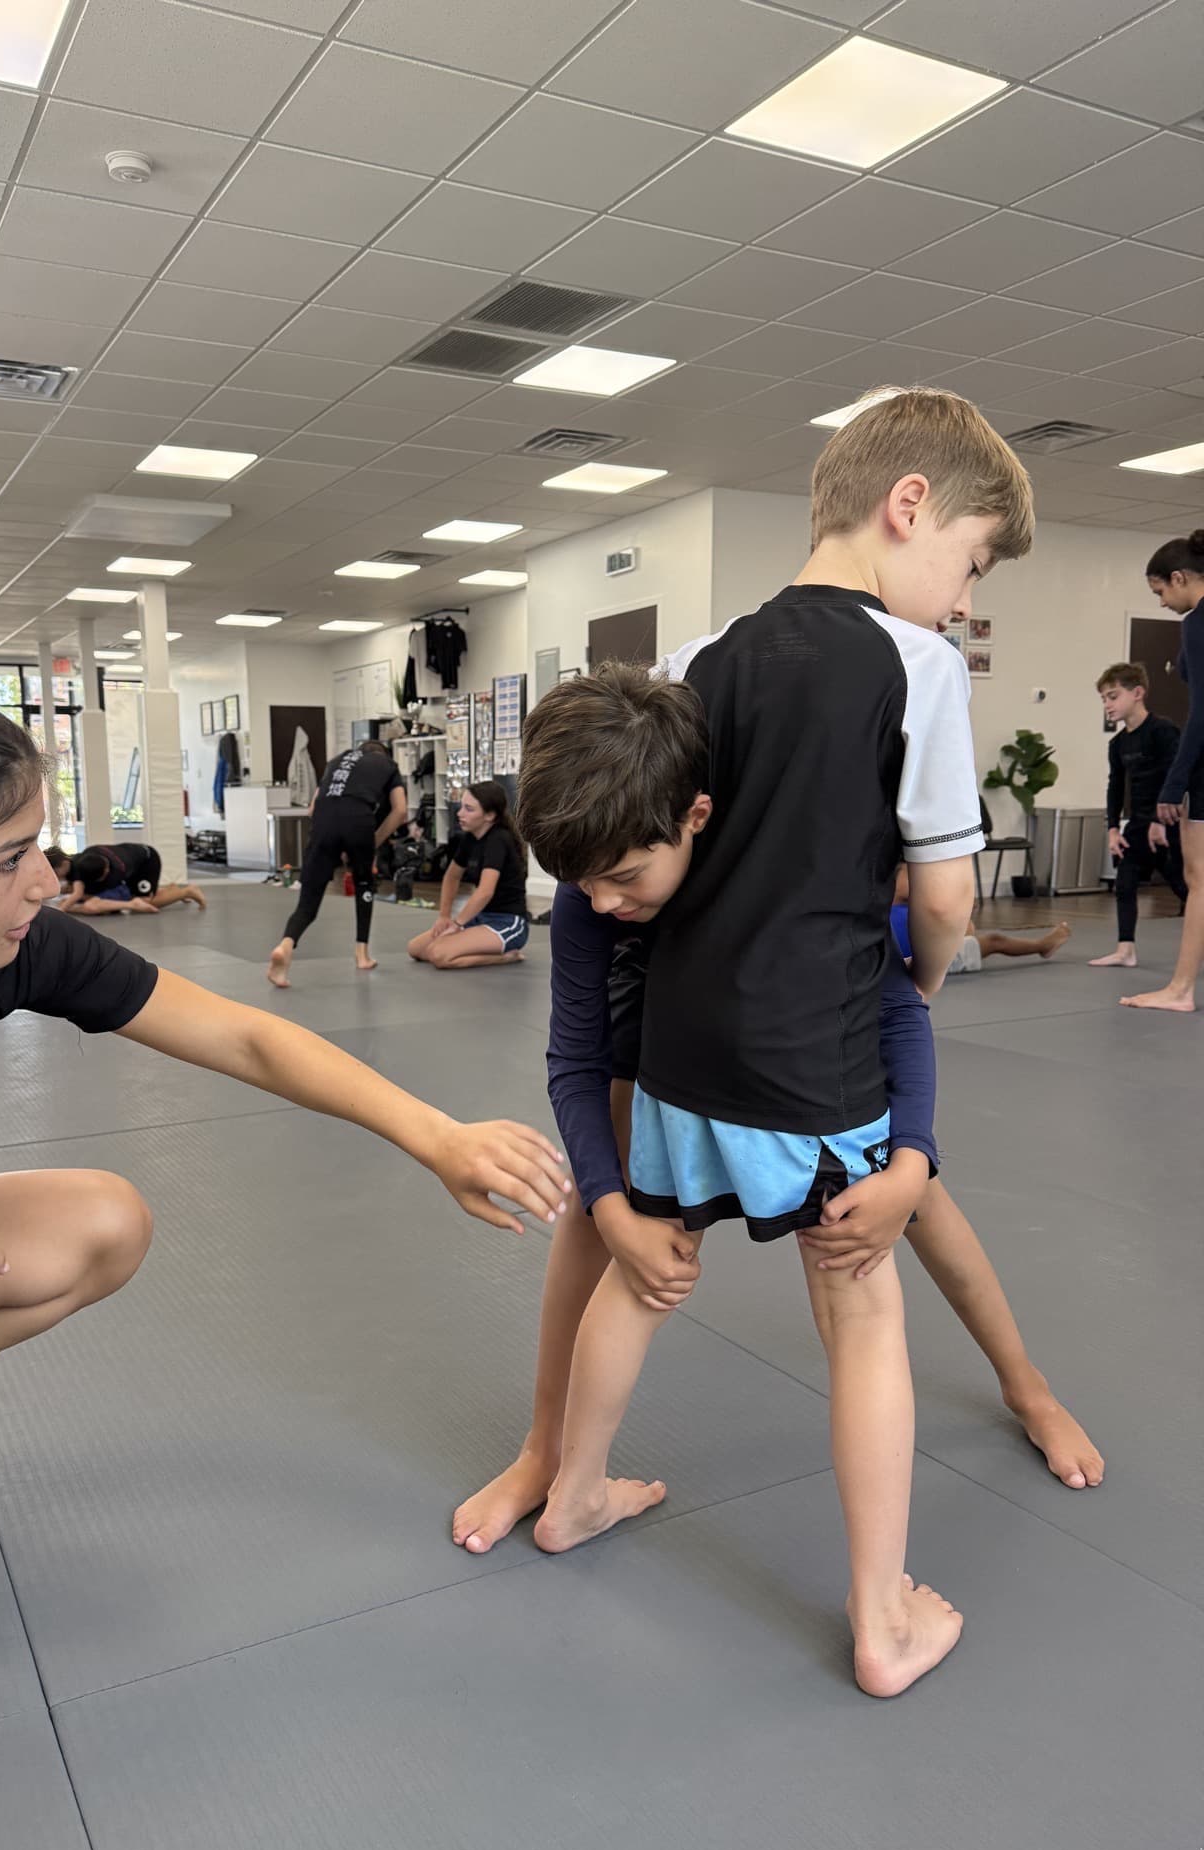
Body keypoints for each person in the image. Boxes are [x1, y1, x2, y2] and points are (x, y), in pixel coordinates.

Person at [0, 677, 569, 1566]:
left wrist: (437, 1135)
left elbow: (243, 1038)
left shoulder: (1, 948)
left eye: (41, 845)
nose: (45, 881)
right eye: (8, 859)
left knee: (99, 1223)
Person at [520, 389, 1035, 1698]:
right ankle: (882, 1616)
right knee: (859, 1314)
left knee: (646, 1278)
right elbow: (945, 895)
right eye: (971, 562)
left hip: (687, 1051)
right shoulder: (913, 668)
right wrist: (908, 986)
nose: (963, 598)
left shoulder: (704, 654)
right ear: (906, 507)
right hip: (816, 1060)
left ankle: (572, 1493)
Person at [1121, 531, 1204, 1012]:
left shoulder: (1198, 622)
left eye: (1160, 593)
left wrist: (1175, 784)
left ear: (1179, 578)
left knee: (1200, 880)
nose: (1164, 603)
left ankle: (1181, 989)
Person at [267, 739, 407, 987]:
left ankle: (285, 945)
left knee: (308, 903)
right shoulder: (387, 765)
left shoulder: (337, 762)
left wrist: (334, 842)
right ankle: (362, 954)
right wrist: (371, 841)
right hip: (358, 821)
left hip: (323, 824)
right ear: (382, 754)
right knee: (364, 883)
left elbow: (312, 810)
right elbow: (400, 811)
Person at [1089, 661, 1188, 969]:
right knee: (1125, 883)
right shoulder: (1118, 744)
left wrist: (1161, 821)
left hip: (1169, 821)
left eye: (1113, 696)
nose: (1107, 704)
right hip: (1138, 824)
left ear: (1138, 693)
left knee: (1183, 885)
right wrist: (1113, 829)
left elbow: (1175, 774)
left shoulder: (1162, 731)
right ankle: (1125, 949)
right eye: (1104, 698)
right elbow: (1115, 788)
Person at [406, 780, 530, 970]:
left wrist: (457, 924)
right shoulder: (470, 838)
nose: (460, 813)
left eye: (469, 809)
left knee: (438, 955)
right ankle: (474, 945)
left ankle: (506, 957)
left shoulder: (498, 839)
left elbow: (485, 892)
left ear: (489, 815)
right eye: (462, 806)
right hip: (480, 918)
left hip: (507, 922)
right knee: (416, 949)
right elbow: (451, 877)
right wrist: (444, 916)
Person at [891, 868, 1071, 970]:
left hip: (926, 951)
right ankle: (1043, 946)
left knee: (990, 938)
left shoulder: (913, 903)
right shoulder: (898, 897)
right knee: (994, 940)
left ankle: (1042, 946)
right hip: (914, 960)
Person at [46, 842, 206, 915]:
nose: (56, 877)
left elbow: (81, 893)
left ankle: (186, 891)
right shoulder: (84, 858)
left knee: (145, 901)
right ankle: (170, 889)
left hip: (147, 861)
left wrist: (62, 909)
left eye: (55, 872)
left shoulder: (117, 872)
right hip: (130, 859)